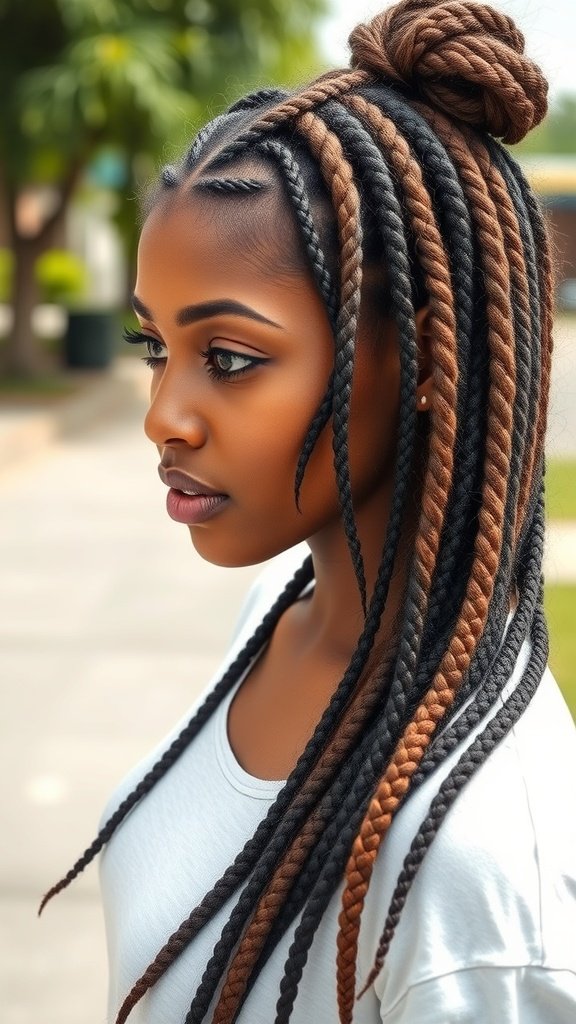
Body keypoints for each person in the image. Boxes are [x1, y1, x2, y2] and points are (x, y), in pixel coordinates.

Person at [40, 1, 576, 1021]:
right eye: (156, 347)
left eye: (230, 358)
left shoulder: (479, 883)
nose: (165, 417)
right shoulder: (283, 620)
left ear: (423, 357)